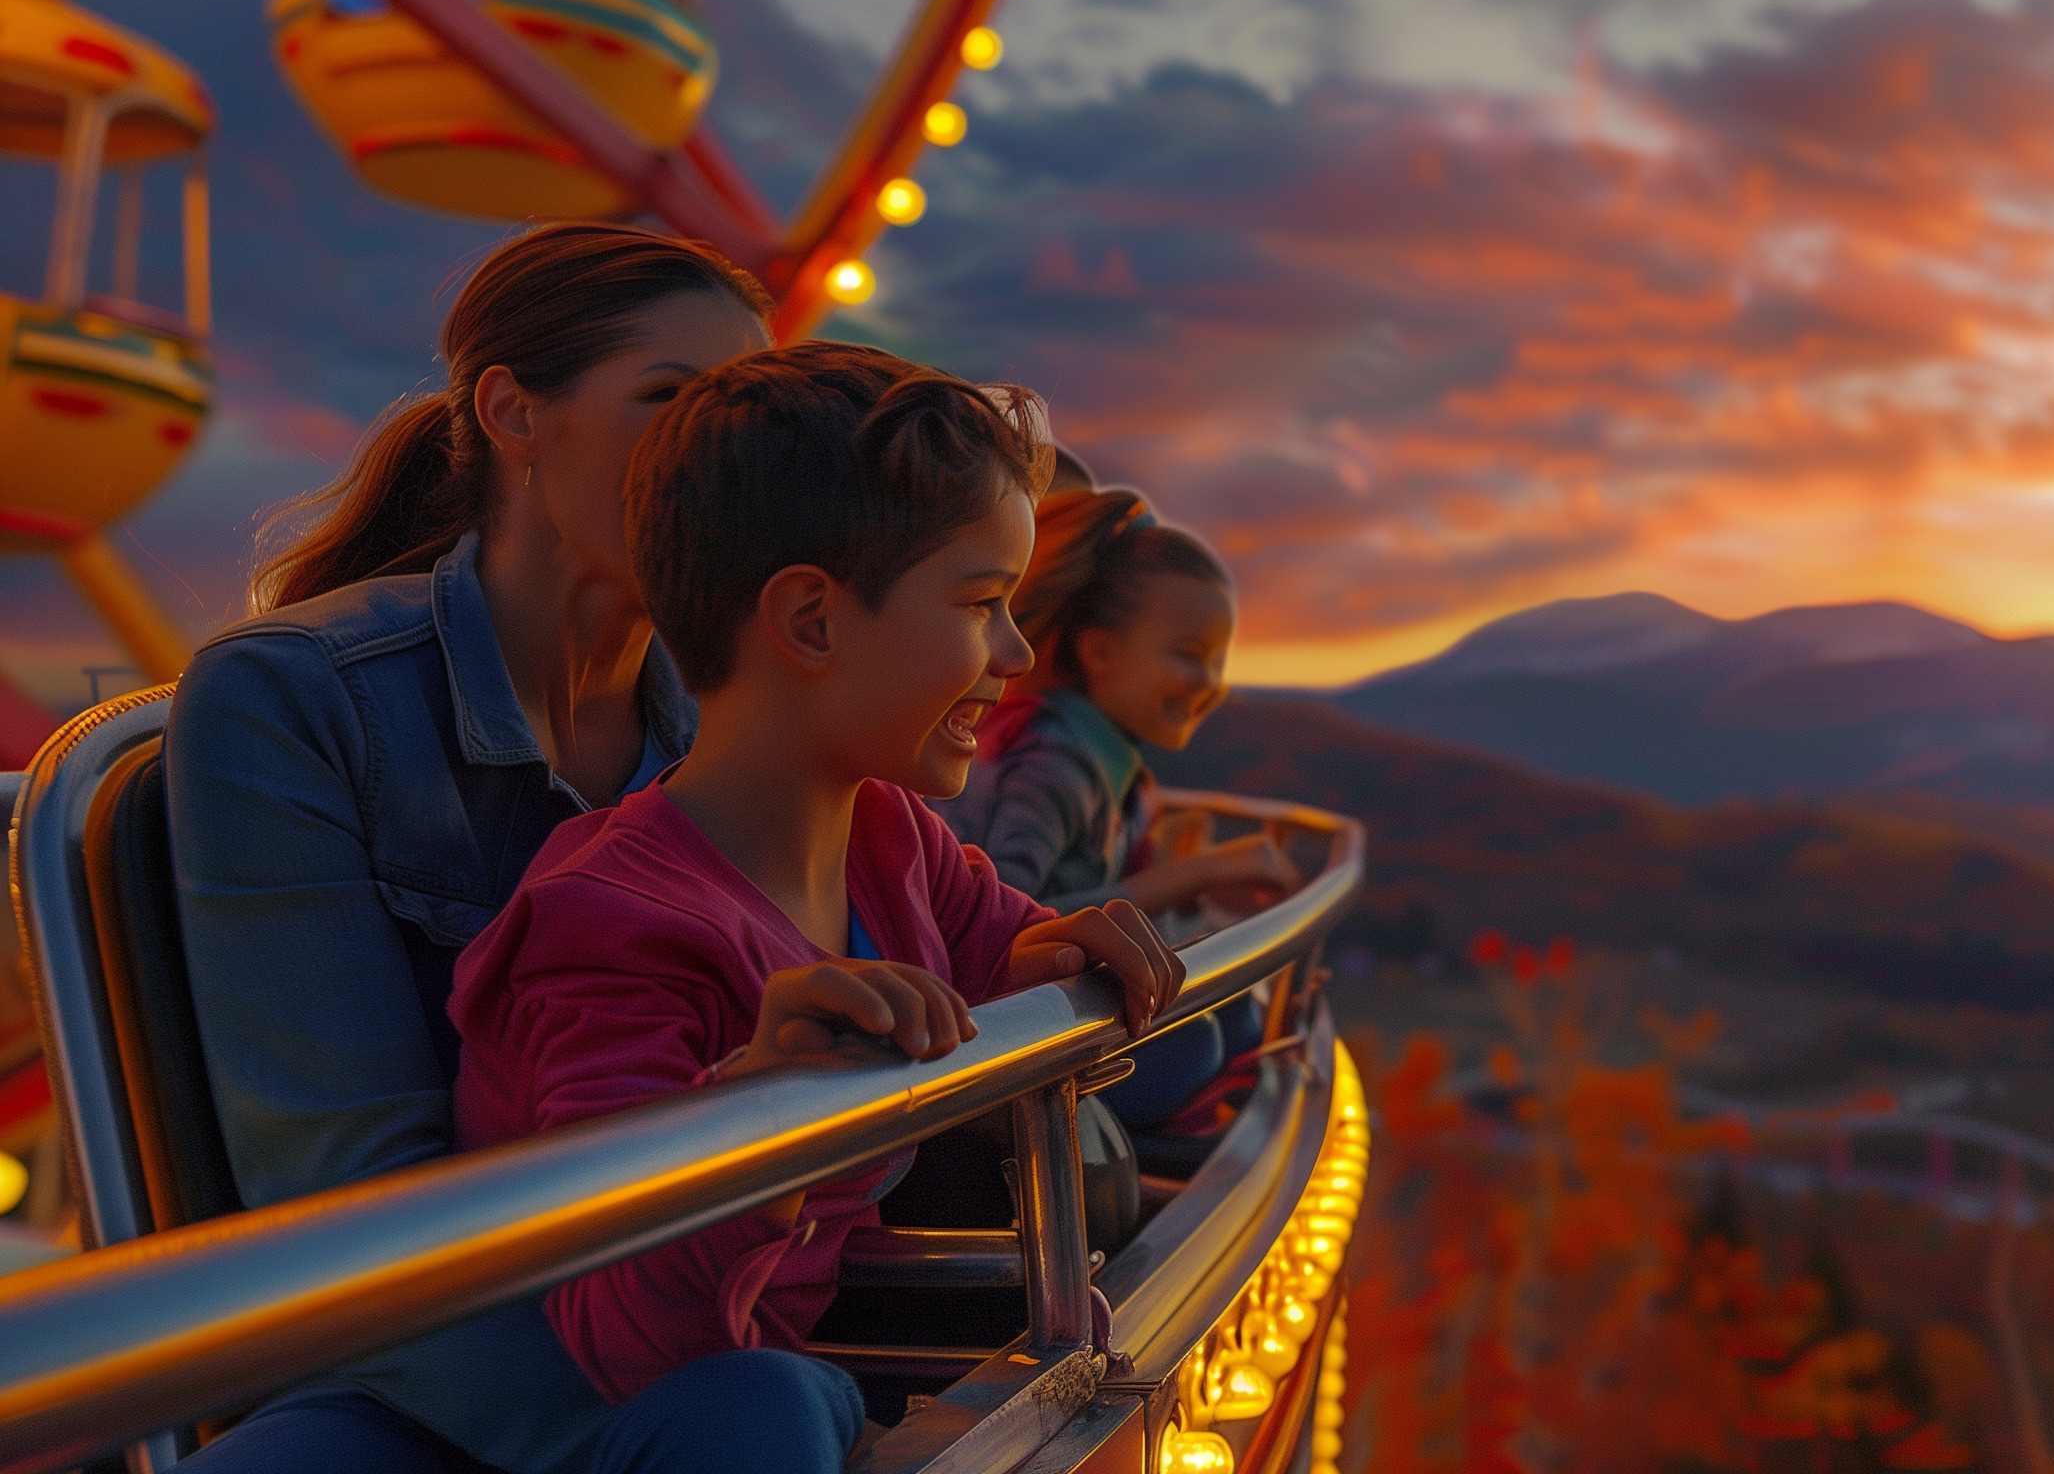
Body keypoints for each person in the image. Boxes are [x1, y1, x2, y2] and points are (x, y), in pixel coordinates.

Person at [164, 226, 1103, 1473]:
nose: (710, 450)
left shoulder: (764, 723)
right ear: (512, 412)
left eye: (731, 411)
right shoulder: (296, 702)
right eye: (672, 401)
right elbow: (345, 1194)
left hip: (701, 1322)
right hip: (449, 1368)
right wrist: (662, 1429)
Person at [450, 345, 1178, 1452]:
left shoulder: (889, 839)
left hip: (797, 1361)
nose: (1018, 653)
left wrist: (1063, 957)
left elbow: (999, 948)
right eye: (982, 603)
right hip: (593, 1429)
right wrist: (761, 1115)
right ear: (810, 623)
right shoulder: (607, 928)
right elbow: (627, 1348)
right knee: (769, 1410)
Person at [937, 486, 1294, 1131]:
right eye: (1189, 655)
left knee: (1238, 1008)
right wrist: (1192, 876)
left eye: (1217, 660)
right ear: (1099, 652)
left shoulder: (1111, 764)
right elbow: (1006, 913)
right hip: (1006, 1029)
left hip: (1065, 1005)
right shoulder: (1054, 763)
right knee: (1198, 1043)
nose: (1210, 682)